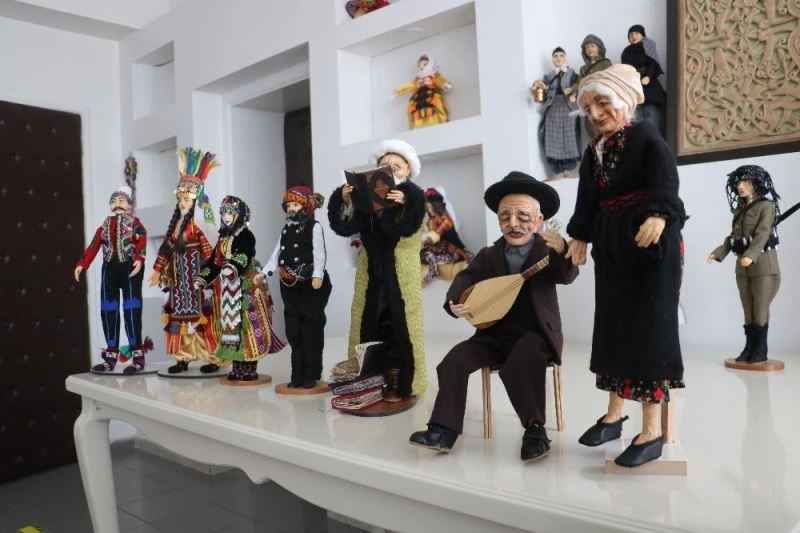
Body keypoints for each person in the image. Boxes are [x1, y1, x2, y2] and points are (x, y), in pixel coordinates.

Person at [565, 64, 688, 468]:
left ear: (625, 101)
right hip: (613, 246)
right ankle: (614, 416)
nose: (596, 113)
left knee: (649, 331)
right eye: (589, 107)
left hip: (649, 245)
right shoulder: (594, 151)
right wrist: (580, 236)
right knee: (613, 327)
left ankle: (652, 431)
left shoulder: (646, 137)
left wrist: (660, 214)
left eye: (603, 103)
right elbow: (587, 198)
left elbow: (666, 181)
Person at [409, 171, 578, 461]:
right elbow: (465, 279)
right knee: (453, 361)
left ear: (539, 220)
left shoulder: (547, 251)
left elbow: (567, 274)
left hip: (535, 334)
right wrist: (454, 302)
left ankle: (535, 430)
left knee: (521, 360)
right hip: (494, 333)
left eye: (523, 217)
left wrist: (562, 249)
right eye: (505, 217)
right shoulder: (489, 254)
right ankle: (443, 431)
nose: (513, 224)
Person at [328, 139, 427, 400]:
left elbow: (408, 228)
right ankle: (367, 379)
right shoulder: (368, 200)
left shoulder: (414, 198)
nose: (391, 170)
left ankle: (403, 380)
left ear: (408, 170)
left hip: (399, 272)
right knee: (367, 320)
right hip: (371, 271)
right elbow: (345, 227)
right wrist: (345, 200)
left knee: (401, 325)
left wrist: (406, 201)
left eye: (397, 166)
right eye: (385, 166)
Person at [149, 147, 224, 374]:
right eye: (180, 199)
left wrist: (212, 273)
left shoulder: (200, 224)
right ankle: (183, 358)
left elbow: (210, 250)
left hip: (199, 279)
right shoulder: (176, 226)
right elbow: (166, 249)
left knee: (204, 317)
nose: (182, 203)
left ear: (195, 200)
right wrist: (157, 271)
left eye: (187, 199)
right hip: (179, 280)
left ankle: (212, 357)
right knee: (178, 319)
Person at [196, 195, 284, 381]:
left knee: (249, 324)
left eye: (230, 213)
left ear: (239, 215)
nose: (226, 217)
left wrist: (232, 266)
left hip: (247, 286)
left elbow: (244, 255)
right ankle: (237, 365)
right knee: (231, 326)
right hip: (229, 289)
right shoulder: (223, 238)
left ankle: (250, 366)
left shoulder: (246, 235)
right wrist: (203, 279)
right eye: (223, 213)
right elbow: (214, 263)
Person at [708, 165, 781, 364]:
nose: (741, 186)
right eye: (739, 182)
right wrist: (719, 252)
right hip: (743, 267)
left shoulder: (765, 206)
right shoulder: (740, 209)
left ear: (756, 184)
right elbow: (735, 237)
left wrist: (751, 254)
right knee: (747, 308)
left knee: (760, 307)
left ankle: (760, 349)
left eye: (746, 182)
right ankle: (749, 347)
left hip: (763, 265)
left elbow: (763, 234)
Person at [260, 186, 332, 388]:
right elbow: (276, 254)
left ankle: (311, 373)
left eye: (295, 204)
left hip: (309, 284)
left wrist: (318, 275)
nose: (291, 208)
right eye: (289, 205)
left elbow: (319, 254)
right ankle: (296, 373)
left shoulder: (314, 227)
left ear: (305, 206)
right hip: (287, 283)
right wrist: (265, 272)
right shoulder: (286, 229)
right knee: (293, 329)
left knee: (310, 327)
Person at [74, 185, 151, 374]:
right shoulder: (104, 227)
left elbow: (142, 240)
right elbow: (93, 247)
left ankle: (138, 358)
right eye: (114, 201)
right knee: (108, 311)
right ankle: (110, 358)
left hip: (130, 269)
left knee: (132, 311)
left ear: (129, 204)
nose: (117, 204)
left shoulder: (135, 224)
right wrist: (82, 264)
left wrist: (139, 259)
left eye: (121, 201)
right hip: (109, 270)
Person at [530, 47, 582, 179]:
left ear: (565, 57)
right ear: (552, 59)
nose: (558, 58)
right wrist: (537, 87)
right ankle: (557, 169)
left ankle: (568, 168)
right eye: (556, 56)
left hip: (568, 107)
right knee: (553, 137)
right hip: (552, 107)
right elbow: (542, 92)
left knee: (570, 136)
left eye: (561, 56)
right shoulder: (548, 76)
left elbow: (579, 85)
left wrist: (573, 92)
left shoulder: (572, 74)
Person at [621, 25, 667, 139]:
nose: (633, 36)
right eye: (631, 35)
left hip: (650, 88)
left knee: (652, 119)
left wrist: (649, 76)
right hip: (633, 87)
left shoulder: (648, 45)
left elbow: (652, 62)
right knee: (636, 123)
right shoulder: (626, 51)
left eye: (636, 33)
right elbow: (625, 69)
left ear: (642, 35)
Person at [420, 187, 470, 283]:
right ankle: (434, 267)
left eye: (429, 206)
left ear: (435, 205)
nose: (428, 210)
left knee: (431, 256)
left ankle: (434, 271)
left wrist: (425, 238)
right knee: (425, 254)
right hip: (436, 251)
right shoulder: (430, 220)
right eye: (427, 207)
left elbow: (435, 235)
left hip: (450, 252)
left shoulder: (446, 221)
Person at [394, 54, 453, 129]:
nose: (422, 67)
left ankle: (440, 121)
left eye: (425, 64)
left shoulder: (433, 77)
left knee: (436, 105)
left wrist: (444, 84)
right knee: (416, 109)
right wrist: (398, 91)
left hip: (430, 95)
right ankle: (418, 125)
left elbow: (438, 80)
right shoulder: (417, 80)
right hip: (418, 97)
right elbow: (409, 85)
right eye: (419, 66)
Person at [573, 34, 613, 138]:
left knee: (605, 127)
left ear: (599, 48)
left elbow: (611, 81)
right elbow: (580, 82)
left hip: (602, 100)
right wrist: (572, 91)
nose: (589, 49)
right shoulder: (583, 68)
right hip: (589, 102)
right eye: (587, 47)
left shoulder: (605, 64)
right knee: (591, 127)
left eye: (592, 46)